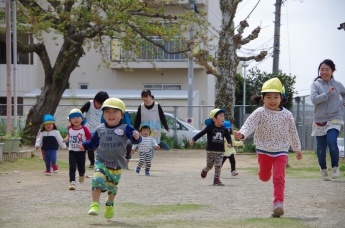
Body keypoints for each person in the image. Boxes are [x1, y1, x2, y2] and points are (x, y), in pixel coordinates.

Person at [234, 77, 302, 218]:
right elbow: (249, 124)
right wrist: (242, 134)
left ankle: (278, 203)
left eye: (276, 97)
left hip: (281, 150)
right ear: (262, 98)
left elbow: (293, 132)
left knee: (279, 177)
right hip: (263, 149)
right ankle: (264, 173)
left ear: (281, 98)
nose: (272, 100)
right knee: (265, 177)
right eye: (268, 97)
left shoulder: (287, 115)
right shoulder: (260, 112)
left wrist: (297, 148)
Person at [78, 97, 142, 219]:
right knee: (96, 179)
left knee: (112, 189)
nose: (111, 115)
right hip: (101, 161)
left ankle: (110, 204)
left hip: (117, 164)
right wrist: (84, 146)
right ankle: (95, 204)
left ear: (122, 115)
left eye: (115, 112)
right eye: (107, 111)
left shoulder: (126, 128)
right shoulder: (100, 129)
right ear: (103, 114)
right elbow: (93, 142)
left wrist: (136, 137)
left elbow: (135, 139)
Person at [310, 59, 345, 181]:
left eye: (327, 69)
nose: (324, 72)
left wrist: (343, 102)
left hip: (335, 117)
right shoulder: (315, 84)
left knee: (331, 141)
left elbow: (344, 93)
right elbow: (314, 100)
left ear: (332, 71)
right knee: (321, 147)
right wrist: (327, 93)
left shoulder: (338, 84)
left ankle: (335, 167)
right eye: (322, 69)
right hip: (320, 119)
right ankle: (323, 169)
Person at [189, 108, 232, 186]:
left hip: (220, 151)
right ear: (214, 119)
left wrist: (229, 143)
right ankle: (205, 170)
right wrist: (193, 139)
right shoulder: (209, 128)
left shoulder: (224, 129)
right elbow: (201, 133)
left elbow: (228, 137)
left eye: (223, 116)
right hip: (211, 150)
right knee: (209, 166)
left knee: (218, 165)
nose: (223, 118)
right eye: (221, 116)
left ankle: (216, 179)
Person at [63, 109, 92, 190]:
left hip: (81, 151)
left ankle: (82, 174)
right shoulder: (69, 128)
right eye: (73, 118)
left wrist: (85, 145)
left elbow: (90, 138)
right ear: (70, 120)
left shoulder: (84, 129)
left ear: (82, 119)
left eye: (77, 117)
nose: (76, 119)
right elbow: (69, 135)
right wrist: (66, 139)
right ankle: (72, 182)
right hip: (72, 151)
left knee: (81, 167)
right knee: (72, 167)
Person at [134, 89, 169, 154]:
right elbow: (137, 119)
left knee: (152, 146)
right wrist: (135, 129)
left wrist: (166, 126)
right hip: (144, 130)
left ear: (150, 96)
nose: (144, 98)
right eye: (143, 97)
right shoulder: (141, 107)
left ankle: (147, 160)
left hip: (155, 129)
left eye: (146, 96)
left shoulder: (157, 105)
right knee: (144, 145)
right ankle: (146, 160)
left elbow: (162, 117)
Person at [80, 91, 109, 168]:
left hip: (98, 129)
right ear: (95, 100)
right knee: (90, 146)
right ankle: (92, 163)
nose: (100, 105)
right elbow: (80, 112)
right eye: (99, 103)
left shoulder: (104, 107)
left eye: (102, 104)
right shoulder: (89, 104)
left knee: (101, 146)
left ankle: (101, 161)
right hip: (88, 129)